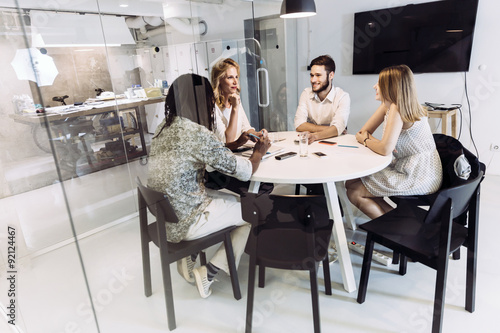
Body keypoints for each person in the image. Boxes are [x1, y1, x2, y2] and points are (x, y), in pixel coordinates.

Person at [147, 73, 271, 298]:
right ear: (200, 101)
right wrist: (258, 153)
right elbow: (243, 171)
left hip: (164, 218)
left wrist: (236, 144)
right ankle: (209, 272)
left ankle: (189, 257)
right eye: (208, 99)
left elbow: (212, 155)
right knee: (252, 210)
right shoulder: (195, 132)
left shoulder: (163, 127)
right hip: (186, 222)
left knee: (231, 200)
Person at [345, 65, 443, 219]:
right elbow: (364, 132)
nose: (374, 86)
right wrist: (373, 140)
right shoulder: (390, 105)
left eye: (379, 83)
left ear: (391, 87)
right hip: (411, 167)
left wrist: (368, 140)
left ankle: (392, 228)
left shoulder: (397, 108)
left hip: (419, 175)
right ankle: (396, 221)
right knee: (350, 182)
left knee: (355, 192)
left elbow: (382, 148)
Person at [294, 55, 350, 143]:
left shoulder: (342, 97)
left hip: (335, 143)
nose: (313, 80)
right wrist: (330, 129)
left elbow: (337, 128)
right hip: (310, 143)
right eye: (312, 75)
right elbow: (299, 124)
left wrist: (314, 135)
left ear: (331, 75)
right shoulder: (306, 94)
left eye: (318, 75)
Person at [211, 58, 265, 143]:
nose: (235, 82)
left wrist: (257, 134)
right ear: (219, 80)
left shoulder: (235, 99)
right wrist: (235, 108)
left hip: (239, 150)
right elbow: (227, 140)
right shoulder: (212, 106)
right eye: (230, 77)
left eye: (236, 77)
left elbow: (246, 128)